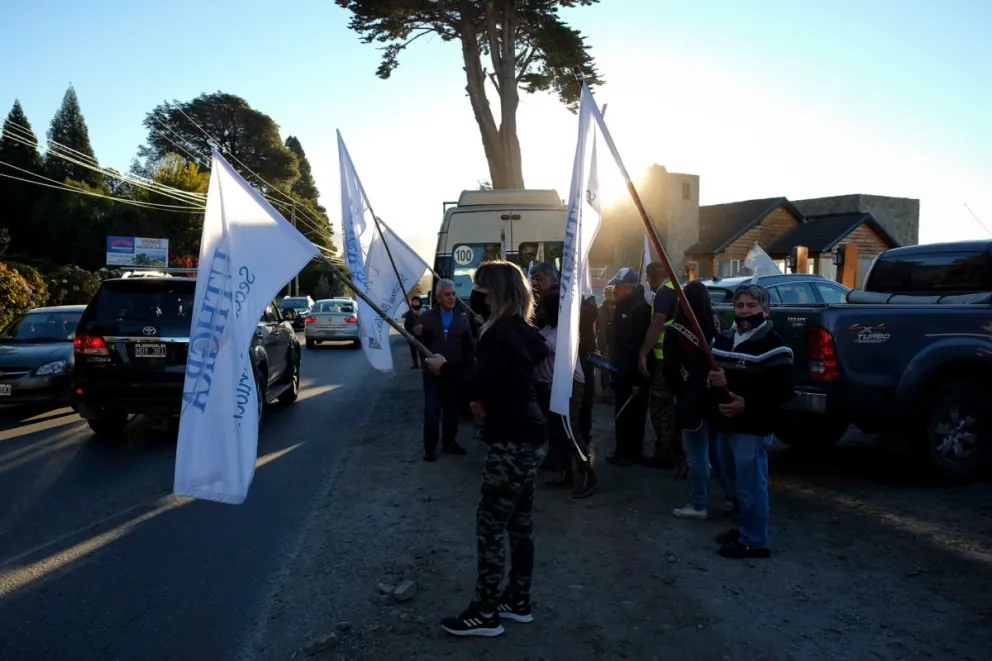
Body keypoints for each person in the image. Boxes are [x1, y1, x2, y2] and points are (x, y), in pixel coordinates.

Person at [425, 261, 550, 637]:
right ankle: (518, 600)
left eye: (480, 288)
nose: (474, 295)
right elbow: (505, 382)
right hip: (532, 435)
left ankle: (486, 612)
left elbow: (483, 384)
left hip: (513, 441)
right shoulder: (521, 330)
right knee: (520, 522)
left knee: (491, 524)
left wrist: (444, 369)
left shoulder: (499, 335)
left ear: (495, 292)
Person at [707, 284, 794, 559]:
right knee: (730, 481)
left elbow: (783, 391)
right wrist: (714, 380)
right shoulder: (722, 340)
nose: (744, 311)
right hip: (724, 425)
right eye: (739, 306)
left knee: (750, 485)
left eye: (751, 306)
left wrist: (748, 404)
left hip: (751, 427)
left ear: (765, 311)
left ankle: (755, 541)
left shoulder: (776, 347)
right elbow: (715, 378)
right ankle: (745, 527)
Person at [662, 280, 732, 519]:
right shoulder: (721, 325)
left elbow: (670, 369)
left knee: (697, 453)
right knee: (716, 451)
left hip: (692, 400)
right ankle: (732, 497)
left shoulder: (675, 331)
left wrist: (679, 393)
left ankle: (699, 503)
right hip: (717, 398)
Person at [533, 292, 597, 498]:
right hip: (552, 387)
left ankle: (588, 475)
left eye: (543, 309)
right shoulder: (548, 328)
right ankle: (566, 472)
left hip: (568, 386)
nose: (539, 312)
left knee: (571, 432)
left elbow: (540, 349)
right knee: (558, 434)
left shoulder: (564, 332)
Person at [415, 279, 474, 461]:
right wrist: (419, 335)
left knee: (452, 411)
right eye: (448, 295)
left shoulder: (462, 318)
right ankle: (429, 447)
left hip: (453, 373)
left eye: (454, 294)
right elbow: (421, 347)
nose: (452, 298)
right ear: (439, 297)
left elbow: (468, 347)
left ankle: (449, 443)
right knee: (432, 412)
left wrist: (468, 369)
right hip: (432, 374)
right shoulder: (426, 318)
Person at [606, 268, 652, 466]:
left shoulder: (640, 308)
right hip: (620, 370)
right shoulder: (621, 305)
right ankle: (621, 451)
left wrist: (638, 379)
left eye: (618, 286)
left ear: (629, 286)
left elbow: (638, 345)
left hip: (632, 372)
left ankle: (633, 453)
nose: (614, 289)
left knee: (633, 414)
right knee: (621, 413)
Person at [637, 262, 680, 469]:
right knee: (673, 407)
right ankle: (677, 449)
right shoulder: (679, 289)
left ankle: (665, 453)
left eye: (648, 278)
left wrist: (643, 354)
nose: (648, 283)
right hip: (678, 359)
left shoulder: (663, 293)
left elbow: (657, 323)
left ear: (654, 277)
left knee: (660, 408)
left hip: (663, 359)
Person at [596, 286, 615, 403]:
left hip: (615, 343)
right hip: (604, 342)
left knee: (613, 368)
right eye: (607, 293)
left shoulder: (618, 308)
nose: (608, 295)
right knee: (605, 368)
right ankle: (606, 392)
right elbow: (597, 327)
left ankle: (612, 390)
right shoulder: (600, 309)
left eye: (610, 293)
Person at [402, 295, 425, 369]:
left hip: (419, 333)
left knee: (421, 349)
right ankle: (415, 364)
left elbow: (420, 314)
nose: (415, 303)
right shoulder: (410, 310)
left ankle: (423, 364)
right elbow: (403, 316)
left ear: (420, 303)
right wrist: (408, 312)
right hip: (410, 333)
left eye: (416, 301)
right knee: (413, 350)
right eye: (413, 302)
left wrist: (413, 312)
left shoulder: (422, 309)